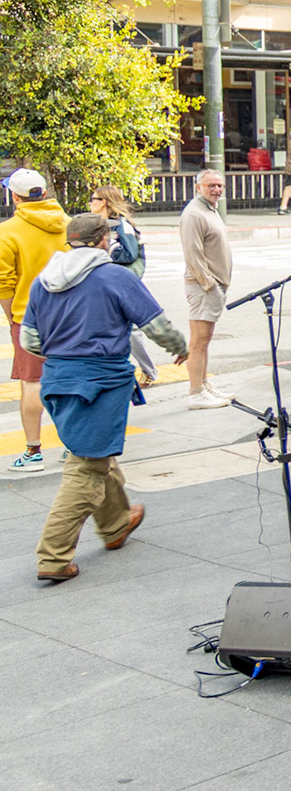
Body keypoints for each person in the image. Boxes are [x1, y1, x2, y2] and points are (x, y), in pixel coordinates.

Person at [24, 213, 188, 581]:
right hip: (99, 382)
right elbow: (157, 325)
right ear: (103, 241)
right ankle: (53, 555)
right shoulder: (115, 275)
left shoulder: (43, 281)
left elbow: (30, 341)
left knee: (94, 450)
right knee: (87, 466)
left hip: (57, 381)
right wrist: (180, 348)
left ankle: (115, 524)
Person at [0, 168, 68, 472]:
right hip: (70, 316)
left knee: (31, 383)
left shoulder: (7, 231)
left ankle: (33, 451)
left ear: (15, 197)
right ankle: (72, 445)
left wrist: (11, 316)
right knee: (68, 379)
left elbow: (4, 284)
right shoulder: (68, 223)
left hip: (29, 317)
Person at [89, 185, 155, 385]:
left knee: (131, 329)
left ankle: (148, 370)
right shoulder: (99, 223)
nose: (90, 203)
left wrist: (107, 249)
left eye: (93, 199)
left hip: (121, 282)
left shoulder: (121, 225)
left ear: (104, 202)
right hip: (104, 281)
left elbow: (129, 254)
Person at [180, 169, 232, 409]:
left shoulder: (210, 209)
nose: (216, 190)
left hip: (212, 285)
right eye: (211, 185)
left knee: (205, 338)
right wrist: (209, 285)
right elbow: (193, 254)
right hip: (203, 286)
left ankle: (203, 384)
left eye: (219, 185)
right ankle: (195, 392)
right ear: (198, 187)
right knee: (199, 340)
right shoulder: (193, 214)